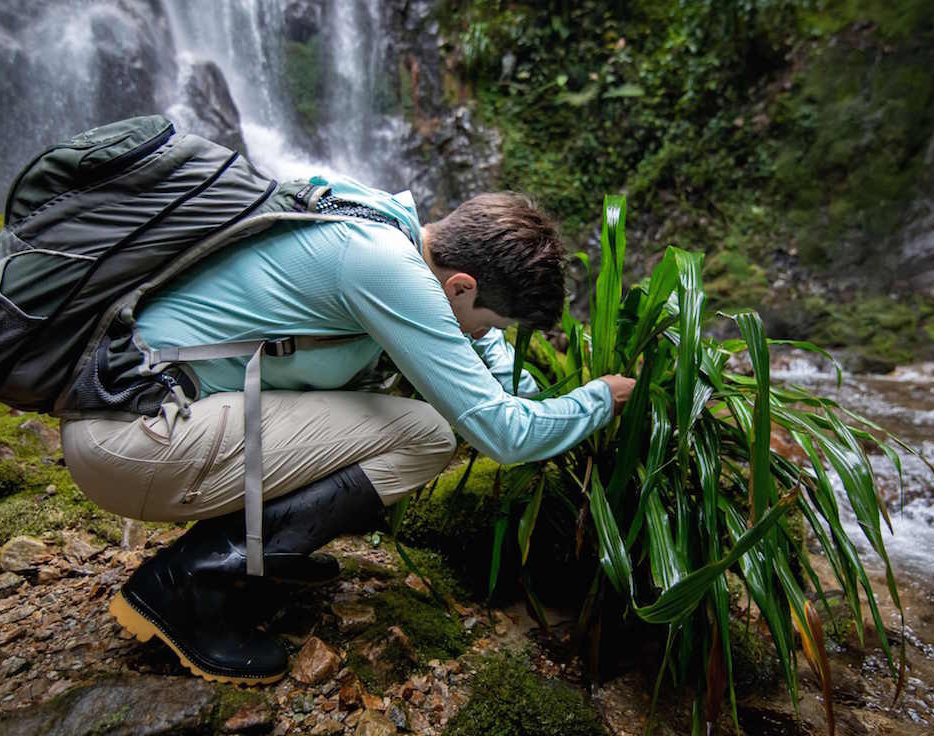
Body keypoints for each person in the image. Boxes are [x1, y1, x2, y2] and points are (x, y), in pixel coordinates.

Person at [60, 173, 636, 684]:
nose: (488, 334)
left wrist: (543, 399)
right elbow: (500, 433)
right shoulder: (384, 269)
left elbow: (485, 356)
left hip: (146, 416)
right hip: (134, 440)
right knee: (427, 433)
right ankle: (188, 583)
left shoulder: (382, 222)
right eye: (490, 320)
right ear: (461, 286)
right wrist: (597, 402)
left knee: (380, 398)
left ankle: (261, 557)